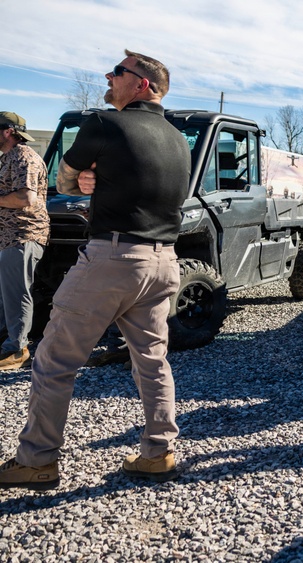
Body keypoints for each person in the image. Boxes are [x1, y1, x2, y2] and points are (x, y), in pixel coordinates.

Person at [0, 50, 190, 489]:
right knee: (152, 360)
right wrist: (95, 179)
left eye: (117, 73)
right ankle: (158, 453)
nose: (108, 77)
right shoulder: (179, 140)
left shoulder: (105, 123)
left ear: (141, 83)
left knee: (53, 359)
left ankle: (37, 460)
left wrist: (84, 179)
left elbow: (62, 182)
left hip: (112, 258)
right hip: (163, 261)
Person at [0, 112, 49, 371]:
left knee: (17, 294)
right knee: (5, 295)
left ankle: (17, 351)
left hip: (23, 235)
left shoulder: (24, 157)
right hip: (9, 237)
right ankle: (7, 344)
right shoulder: (9, 158)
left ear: (8, 131)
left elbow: (25, 198)